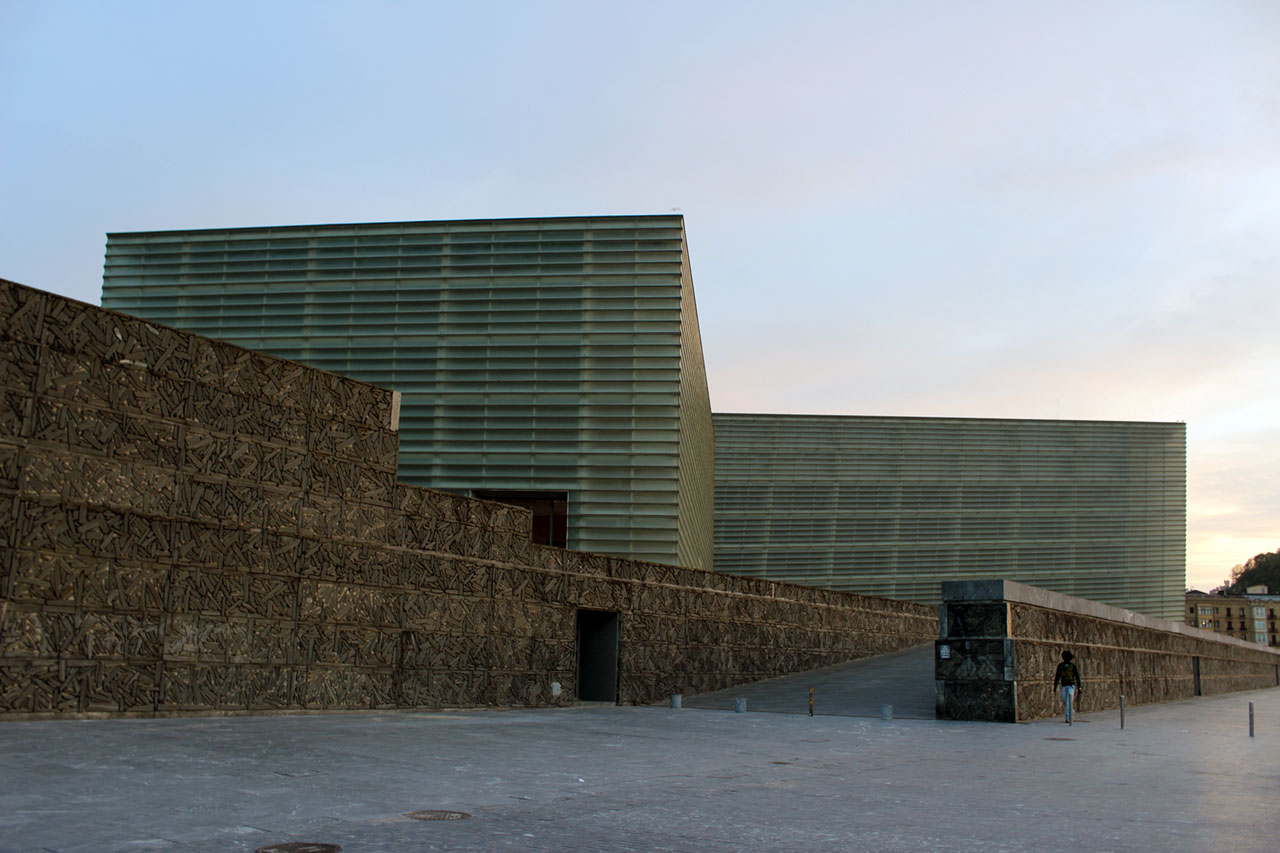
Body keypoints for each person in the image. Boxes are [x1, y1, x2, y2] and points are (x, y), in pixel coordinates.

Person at [1053, 650, 1083, 725]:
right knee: (1066, 701)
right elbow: (1057, 676)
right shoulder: (1060, 666)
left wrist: (1079, 687)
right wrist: (1055, 686)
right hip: (1064, 685)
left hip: (1071, 685)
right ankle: (1071, 711)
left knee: (1069, 700)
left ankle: (1068, 717)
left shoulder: (1072, 666)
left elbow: (1077, 677)